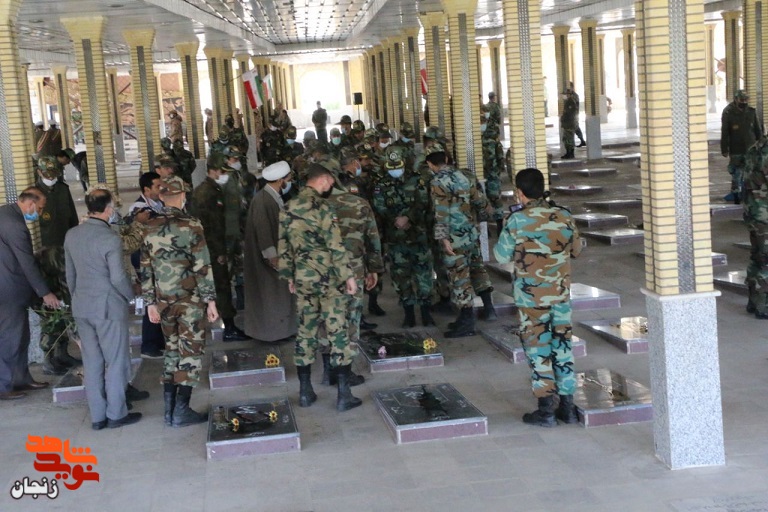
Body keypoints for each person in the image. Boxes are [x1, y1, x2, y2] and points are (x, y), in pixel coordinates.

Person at [494, 168, 582, 427]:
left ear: (519, 193)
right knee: (563, 346)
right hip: (560, 296)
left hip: (531, 299)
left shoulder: (517, 220)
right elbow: (576, 250)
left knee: (538, 349)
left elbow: (500, 256)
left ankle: (546, 411)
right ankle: (567, 408)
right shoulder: (564, 215)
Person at [278, 163, 361, 412]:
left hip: (303, 279)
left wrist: (289, 276)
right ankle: (344, 395)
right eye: (331, 180)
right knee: (337, 331)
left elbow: (284, 245)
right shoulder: (323, 207)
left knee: (305, 331)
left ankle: (305, 392)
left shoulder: (288, 207)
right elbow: (335, 244)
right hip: (329, 280)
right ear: (322, 179)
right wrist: (348, 276)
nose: (332, 185)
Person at [141, 176, 218, 427]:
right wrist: (211, 301)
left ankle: (169, 410)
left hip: (163, 302)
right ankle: (182, 410)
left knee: (172, 350)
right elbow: (202, 266)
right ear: (183, 196)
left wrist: (150, 303)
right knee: (191, 353)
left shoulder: (148, 226)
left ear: (162, 197)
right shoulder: (192, 224)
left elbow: (145, 269)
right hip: (190, 302)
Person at [64, 189, 141, 429]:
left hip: (82, 306)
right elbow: (117, 278)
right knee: (116, 361)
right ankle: (116, 414)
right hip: (108, 307)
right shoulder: (110, 238)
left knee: (92, 362)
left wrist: (78, 299)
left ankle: (98, 417)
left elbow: (70, 275)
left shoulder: (72, 235)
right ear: (108, 209)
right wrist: (131, 297)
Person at [325, 169, 384, 387]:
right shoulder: (359, 203)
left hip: (323, 271)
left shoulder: (314, 205)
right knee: (351, 318)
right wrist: (374, 269)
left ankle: (328, 370)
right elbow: (372, 240)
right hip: (354, 269)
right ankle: (345, 373)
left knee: (327, 318)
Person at [0, 187, 60, 400]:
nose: (40, 213)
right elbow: (26, 262)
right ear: (30, 203)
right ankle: (4, 386)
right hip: (8, 289)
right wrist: (45, 292)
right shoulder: (15, 225)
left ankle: (21, 379)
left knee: (21, 336)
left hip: (9, 286)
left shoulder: (6, 213)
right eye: (40, 208)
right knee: (10, 338)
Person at [370, 146, 434, 327]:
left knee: (423, 275)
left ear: (404, 163)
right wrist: (396, 220)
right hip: (395, 238)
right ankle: (408, 313)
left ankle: (426, 312)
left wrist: (409, 218)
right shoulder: (381, 184)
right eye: (391, 167)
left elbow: (424, 203)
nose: (395, 170)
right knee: (400, 276)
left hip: (419, 236)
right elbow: (379, 206)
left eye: (397, 166)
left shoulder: (418, 181)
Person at [191, 153, 248, 341]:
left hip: (213, 247)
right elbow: (211, 227)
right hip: (213, 249)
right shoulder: (207, 193)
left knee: (219, 285)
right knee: (221, 286)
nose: (224, 175)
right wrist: (219, 252)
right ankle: (229, 327)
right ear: (213, 171)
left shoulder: (212, 189)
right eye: (222, 171)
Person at [426, 143, 479, 338]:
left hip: (454, 238)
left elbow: (440, 213)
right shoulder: (463, 176)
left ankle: (467, 323)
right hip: (469, 234)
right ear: (446, 159)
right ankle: (464, 318)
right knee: (465, 276)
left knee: (459, 279)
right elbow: (478, 200)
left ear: (430, 164)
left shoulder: (437, 181)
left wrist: (443, 238)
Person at [244, 161, 297, 342]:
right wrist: (272, 257)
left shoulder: (271, 197)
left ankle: (281, 330)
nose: (289, 182)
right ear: (281, 180)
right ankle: (272, 333)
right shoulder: (263, 200)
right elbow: (263, 230)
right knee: (270, 296)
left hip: (275, 254)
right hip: (267, 258)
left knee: (277, 296)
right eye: (288, 179)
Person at [127, 171, 166, 359]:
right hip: (145, 262)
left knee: (160, 300)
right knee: (151, 301)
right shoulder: (139, 209)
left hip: (158, 261)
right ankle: (149, 345)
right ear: (146, 189)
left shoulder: (159, 204)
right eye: (157, 186)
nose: (161, 189)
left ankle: (159, 341)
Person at [722, 89, 762, 204]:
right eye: (741, 100)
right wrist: (724, 149)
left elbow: (758, 130)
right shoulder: (728, 113)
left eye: (745, 100)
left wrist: (761, 144)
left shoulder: (751, 112)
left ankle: (750, 195)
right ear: (736, 99)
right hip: (736, 149)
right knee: (737, 173)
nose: (744, 102)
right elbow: (725, 132)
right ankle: (736, 195)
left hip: (751, 149)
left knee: (751, 172)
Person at [743, 136, 768, 319]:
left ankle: (753, 300)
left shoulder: (756, 147)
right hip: (764, 214)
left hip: (753, 212)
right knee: (765, 260)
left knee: (756, 256)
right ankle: (763, 306)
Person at [36, 156, 79, 248]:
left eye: (54, 174)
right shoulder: (34, 193)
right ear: (39, 172)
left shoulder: (63, 189)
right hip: (45, 243)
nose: (51, 178)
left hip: (65, 239)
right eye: (47, 174)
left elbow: (73, 216)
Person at [560, 89, 579, 159]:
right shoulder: (568, 102)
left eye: (564, 94)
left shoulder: (571, 102)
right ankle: (568, 153)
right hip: (567, 124)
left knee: (569, 140)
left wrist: (564, 119)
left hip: (569, 125)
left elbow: (571, 114)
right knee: (566, 139)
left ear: (569, 95)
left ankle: (570, 154)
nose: (563, 96)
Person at [568, 82, 587, 147]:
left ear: (572, 87)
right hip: (571, 115)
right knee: (574, 128)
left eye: (570, 87)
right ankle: (581, 141)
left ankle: (582, 141)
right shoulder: (570, 95)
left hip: (574, 115)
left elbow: (574, 105)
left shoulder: (575, 95)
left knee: (576, 127)